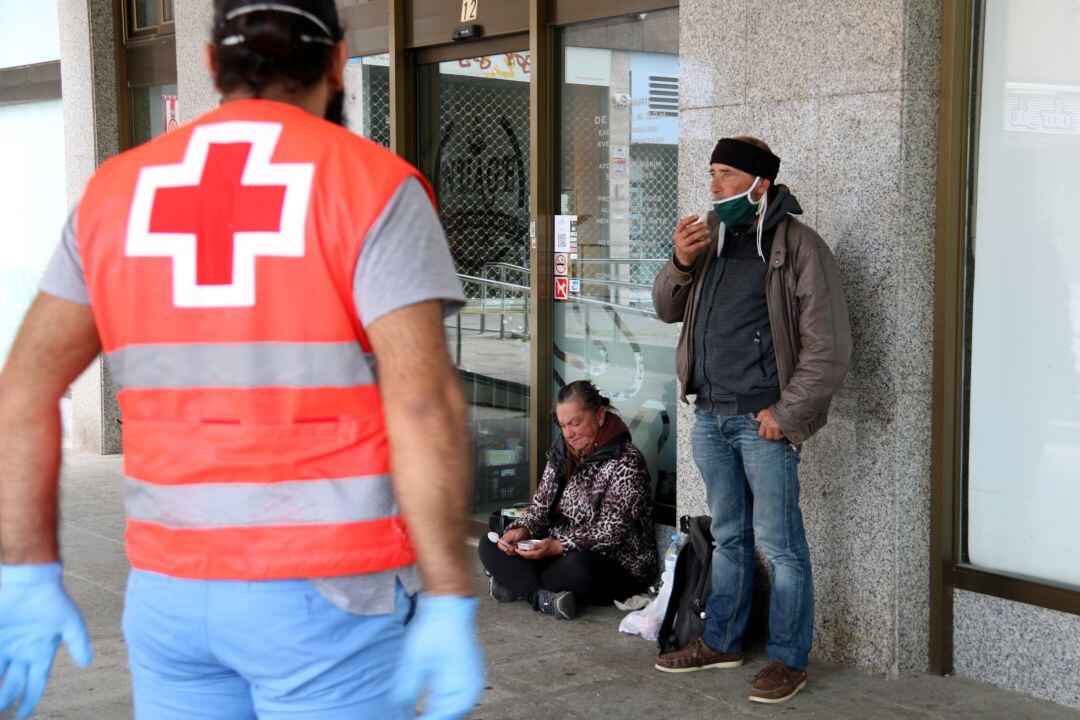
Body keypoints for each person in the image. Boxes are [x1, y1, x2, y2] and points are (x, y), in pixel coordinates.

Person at [0, 2, 484, 717]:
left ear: (210, 67)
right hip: (328, 597)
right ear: (339, 61)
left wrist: (25, 573)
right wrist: (448, 590)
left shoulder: (114, 192)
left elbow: (20, 393)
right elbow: (421, 403)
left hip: (169, 592)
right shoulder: (371, 185)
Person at [650, 137, 851, 703]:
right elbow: (666, 308)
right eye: (711, 172)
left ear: (759, 183)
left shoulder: (800, 247)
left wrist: (786, 415)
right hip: (710, 417)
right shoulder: (709, 241)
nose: (713, 185)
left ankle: (789, 659)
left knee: (780, 543)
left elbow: (828, 346)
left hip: (761, 423)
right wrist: (679, 262)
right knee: (731, 536)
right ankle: (722, 642)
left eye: (726, 174)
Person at [478, 380, 657, 620]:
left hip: (614, 563)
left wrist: (558, 546)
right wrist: (522, 530)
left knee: (576, 569)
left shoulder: (626, 460)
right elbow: (539, 508)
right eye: (563, 425)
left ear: (600, 415)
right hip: (557, 550)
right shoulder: (562, 452)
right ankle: (540, 596)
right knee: (491, 542)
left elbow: (611, 532)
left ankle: (519, 585)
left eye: (576, 423)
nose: (569, 433)